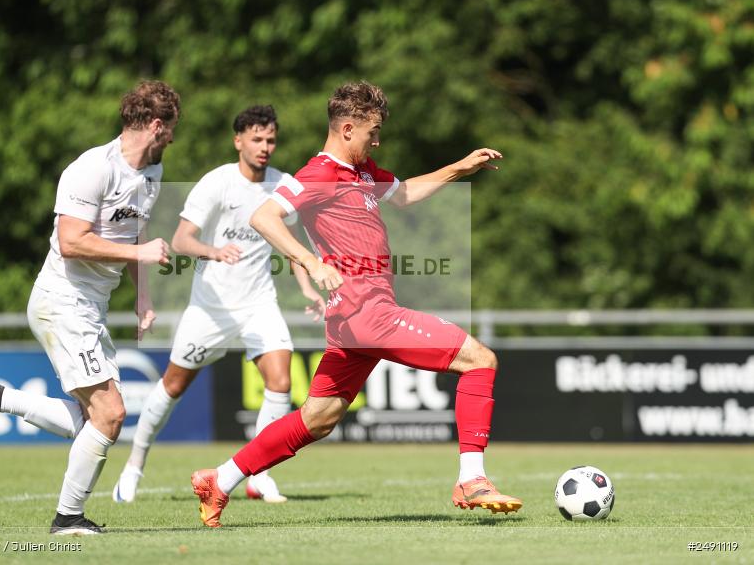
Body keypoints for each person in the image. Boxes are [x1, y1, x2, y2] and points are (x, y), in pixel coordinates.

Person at [190, 81, 522, 528]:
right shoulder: (317, 174)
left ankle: (220, 479)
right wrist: (310, 261)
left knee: (318, 418)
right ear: (347, 129)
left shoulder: (363, 174)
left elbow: (404, 194)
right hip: (368, 314)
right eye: (373, 132)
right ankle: (472, 478)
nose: (378, 140)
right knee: (480, 360)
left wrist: (459, 168)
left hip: (354, 322)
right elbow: (262, 217)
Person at [0, 80, 180, 535]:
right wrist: (142, 255)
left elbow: (133, 239)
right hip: (61, 301)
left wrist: (143, 299)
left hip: (89, 307)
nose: (173, 137)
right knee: (109, 415)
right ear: (155, 125)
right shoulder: (92, 168)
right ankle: (67, 518)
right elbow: (72, 242)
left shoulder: (152, 174)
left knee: (99, 419)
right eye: (170, 128)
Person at [112, 105, 325, 505]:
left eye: (271, 140)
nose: (265, 147)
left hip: (259, 304)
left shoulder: (283, 184)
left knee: (281, 380)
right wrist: (213, 251)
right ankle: (133, 467)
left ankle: (259, 476)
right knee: (172, 386)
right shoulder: (217, 183)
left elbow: (292, 246)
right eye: (257, 139)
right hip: (210, 309)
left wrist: (308, 288)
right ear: (238, 141)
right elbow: (180, 240)